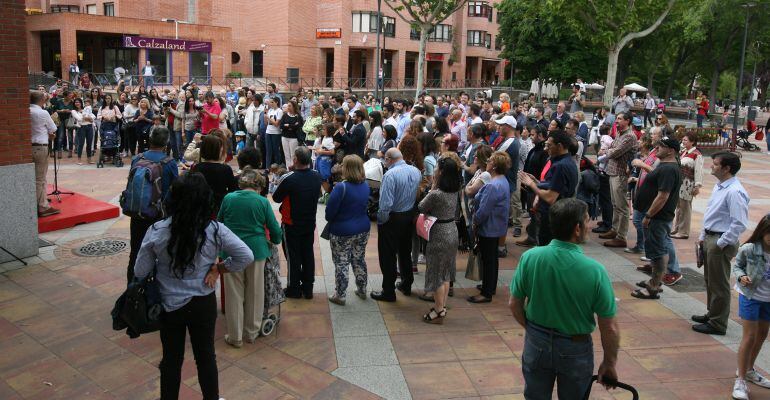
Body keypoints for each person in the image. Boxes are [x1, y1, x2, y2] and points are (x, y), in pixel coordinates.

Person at [134, 172, 253, 400]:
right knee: (206, 356)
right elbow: (245, 255)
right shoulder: (215, 230)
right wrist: (219, 268)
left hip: (169, 305)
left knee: (171, 359)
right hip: (202, 302)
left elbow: (140, 271)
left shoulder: (158, 230)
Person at [509, 198, 620, 399]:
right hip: (575, 349)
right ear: (577, 228)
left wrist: (533, 331)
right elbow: (609, 327)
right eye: (587, 221)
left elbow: (514, 304)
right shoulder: (595, 271)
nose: (589, 225)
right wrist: (610, 363)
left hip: (537, 343)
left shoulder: (530, 258)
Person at [218, 167, 282, 347]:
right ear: (259, 186)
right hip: (257, 250)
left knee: (234, 293)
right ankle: (251, 332)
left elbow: (220, 223)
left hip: (231, 250)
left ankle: (235, 335)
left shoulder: (228, 198)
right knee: (255, 291)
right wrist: (276, 240)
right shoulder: (262, 201)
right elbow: (274, 228)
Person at [692, 151, 750, 335]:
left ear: (727, 168)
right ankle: (712, 314)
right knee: (711, 280)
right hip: (712, 236)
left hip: (720, 239)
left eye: (716, 164)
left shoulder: (735, 191)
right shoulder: (721, 186)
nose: (712, 166)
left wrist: (721, 243)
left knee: (719, 284)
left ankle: (717, 323)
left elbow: (739, 223)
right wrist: (703, 235)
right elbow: (712, 213)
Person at [630, 137, 682, 299]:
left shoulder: (668, 169)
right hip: (656, 217)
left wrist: (648, 215)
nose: (656, 147)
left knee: (659, 252)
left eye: (661, 146)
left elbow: (663, 196)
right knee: (656, 249)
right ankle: (655, 280)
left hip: (658, 218)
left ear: (671, 151)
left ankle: (653, 287)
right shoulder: (665, 166)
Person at [126, 127, 179, 282]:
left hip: (138, 212)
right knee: (161, 254)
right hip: (159, 215)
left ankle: (132, 288)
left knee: (136, 251)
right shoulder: (169, 163)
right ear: (166, 142)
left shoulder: (137, 158)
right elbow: (175, 190)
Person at [371, 148, 422, 302]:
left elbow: (385, 204)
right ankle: (406, 283)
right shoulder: (415, 171)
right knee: (404, 251)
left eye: (385, 160)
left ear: (389, 159)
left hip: (392, 217)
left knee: (387, 255)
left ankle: (388, 290)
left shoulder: (390, 175)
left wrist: (381, 220)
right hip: (408, 215)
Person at [272, 147, 322, 299]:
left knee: (293, 256)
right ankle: (308, 288)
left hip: (291, 223)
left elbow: (276, 197)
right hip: (309, 222)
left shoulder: (289, 178)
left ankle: (294, 288)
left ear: (295, 160)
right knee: (307, 254)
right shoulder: (316, 175)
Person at [731, 215, 770, 400]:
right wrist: (741, 277)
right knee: (750, 336)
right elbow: (737, 266)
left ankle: (749, 370)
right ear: (762, 231)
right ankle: (740, 379)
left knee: (762, 334)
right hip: (750, 296)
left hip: (768, 300)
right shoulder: (750, 249)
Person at [418, 156, 461, 322]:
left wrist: (432, 186)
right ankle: (441, 306)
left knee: (436, 273)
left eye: (436, 168)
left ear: (441, 172)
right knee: (446, 272)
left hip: (438, 234)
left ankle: (438, 310)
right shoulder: (455, 189)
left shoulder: (436, 194)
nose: (434, 169)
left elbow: (421, 206)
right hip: (452, 230)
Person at [519, 130, 579, 247]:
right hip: (561, 213)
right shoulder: (567, 161)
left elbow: (550, 197)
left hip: (554, 215)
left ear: (560, 146)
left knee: (547, 246)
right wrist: (537, 182)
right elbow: (556, 185)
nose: (546, 149)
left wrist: (531, 184)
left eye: (549, 145)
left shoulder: (560, 166)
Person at [326, 155, 371, 305]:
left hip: (342, 230)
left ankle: (340, 294)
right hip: (363, 228)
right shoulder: (365, 185)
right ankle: (362, 288)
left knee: (341, 262)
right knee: (358, 259)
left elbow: (329, 213)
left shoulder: (341, 187)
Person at [468, 151, 511, 303]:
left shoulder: (493, 185)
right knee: (492, 258)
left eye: (490, 161)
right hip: (497, 225)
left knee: (488, 259)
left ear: (493, 166)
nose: (487, 162)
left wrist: (475, 221)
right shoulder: (502, 180)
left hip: (489, 226)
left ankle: (486, 292)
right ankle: (490, 286)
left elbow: (483, 210)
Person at [599, 112, 638, 248]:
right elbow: (613, 148)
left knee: (622, 206)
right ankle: (614, 230)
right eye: (616, 118)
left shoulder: (629, 136)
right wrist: (609, 150)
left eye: (619, 119)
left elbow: (615, 151)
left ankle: (621, 237)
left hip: (621, 173)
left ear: (627, 121)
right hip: (613, 171)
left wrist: (606, 152)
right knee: (615, 204)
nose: (616, 121)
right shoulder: (620, 133)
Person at [191, 134, 239, 214]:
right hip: (220, 207)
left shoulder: (197, 167)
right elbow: (232, 190)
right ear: (218, 151)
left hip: (200, 207)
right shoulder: (225, 169)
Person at [30, 91, 59, 217]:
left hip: (29, 147)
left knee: (34, 177)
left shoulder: (27, 110)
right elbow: (53, 129)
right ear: (42, 100)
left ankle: (39, 200)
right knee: (40, 178)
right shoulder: (42, 112)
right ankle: (42, 206)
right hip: (40, 147)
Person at [671, 132, 704, 240]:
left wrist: (697, 185)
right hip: (680, 183)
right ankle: (677, 228)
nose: (683, 142)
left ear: (692, 142)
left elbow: (699, 171)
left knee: (685, 208)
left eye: (685, 140)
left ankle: (684, 231)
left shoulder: (696, 154)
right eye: (683, 140)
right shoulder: (684, 152)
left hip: (688, 184)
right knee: (679, 208)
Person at [70, 98, 95, 165]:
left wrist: (88, 118)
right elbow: (79, 119)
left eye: (78, 102)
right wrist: (88, 118)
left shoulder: (86, 109)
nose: (77, 103)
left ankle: (89, 159)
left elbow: (93, 117)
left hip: (89, 127)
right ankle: (79, 160)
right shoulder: (73, 111)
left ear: (81, 103)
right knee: (81, 144)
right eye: (76, 102)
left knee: (89, 144)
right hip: (81, 128)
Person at [279, 100, 303, 169]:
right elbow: (281, 126)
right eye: (287, 106)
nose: (288, 107)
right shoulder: (285, 115)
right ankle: (288, 169)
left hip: (293, 138)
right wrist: (291, 125)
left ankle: (293, 169)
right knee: (286, 155)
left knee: (293, 155)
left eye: (289, 106)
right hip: (284, 137)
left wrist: (287, 125)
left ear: (294, 107)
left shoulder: (298, 117)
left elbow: (298, 127)